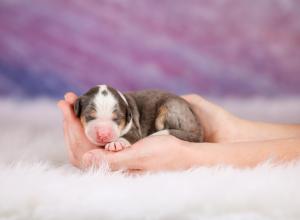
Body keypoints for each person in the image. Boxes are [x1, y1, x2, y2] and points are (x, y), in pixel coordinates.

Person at [57, 92, 300, 172]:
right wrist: (228, 130)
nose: (101, 131)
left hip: (172, 116)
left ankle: (187, 139)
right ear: (80, 110)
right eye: (90, 118)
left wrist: (189, 155)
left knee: (168, 116)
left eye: (114, 120)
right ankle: (230, 134)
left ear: (126, 115)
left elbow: (132, 133)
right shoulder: (118, 105)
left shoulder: (133, 114)